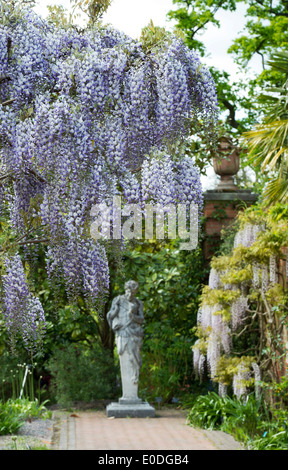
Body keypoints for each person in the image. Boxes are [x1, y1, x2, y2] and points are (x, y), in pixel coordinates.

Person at [107, 280, 144, 402]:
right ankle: (127, 395)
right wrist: (116, 315)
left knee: (135, 360)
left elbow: (141, 320)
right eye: (128, 291)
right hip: (122, 334)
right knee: (125, 361)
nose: (130, 295)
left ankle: (133, 394)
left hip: (134, 334)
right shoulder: (118, 300)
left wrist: (132, 315)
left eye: (133, 293)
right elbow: (110, 316)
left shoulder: (138, 303)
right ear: (125, 289)